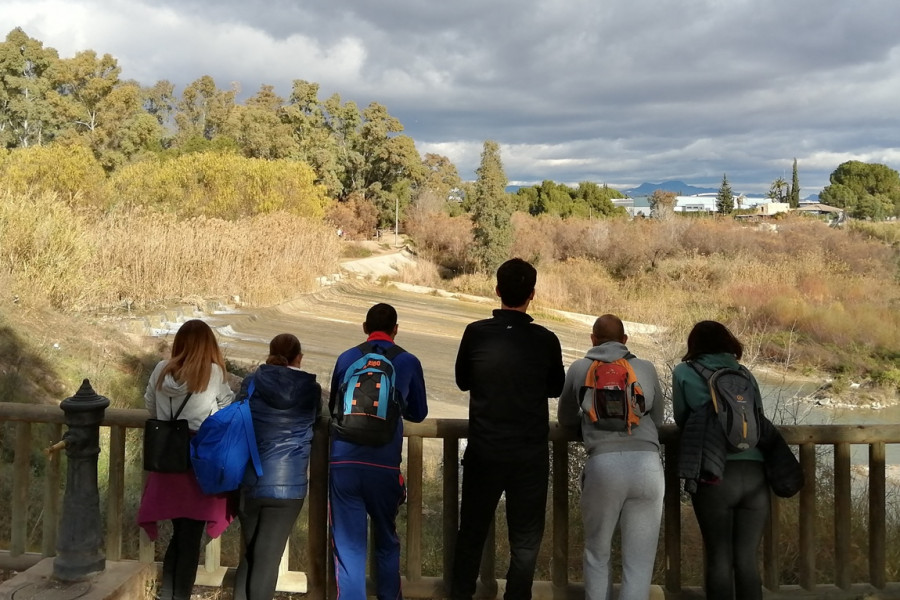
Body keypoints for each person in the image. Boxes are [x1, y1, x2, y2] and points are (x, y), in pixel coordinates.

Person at [450, 258, 566, 600]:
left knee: (471, 532)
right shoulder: (546, 340)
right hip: (529, 453)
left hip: (484, 449)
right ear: (532, 294)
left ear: (497, 291)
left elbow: (461, 381)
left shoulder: (476, 333)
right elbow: (555, 387)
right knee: (526, 540)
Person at [556, 314, 665, 600]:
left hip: (603, 466)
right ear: (625, 340)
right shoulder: (646, 368)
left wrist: (591, 417)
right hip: (647, 466)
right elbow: (659, 419)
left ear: (593, 339)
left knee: (597, 551)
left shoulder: (580, 368)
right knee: (639, 559)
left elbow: (565, 418)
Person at [328, 303, 428, 600]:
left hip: (344, 461)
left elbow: (334, 404)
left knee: (348, 548)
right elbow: (419, 413)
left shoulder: (347, 357)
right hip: (384, 465)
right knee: (386, 542)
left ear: (364, 327)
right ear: (396, 329)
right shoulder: (407, 361)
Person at [137, 319, 235, 600]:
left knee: (180, 534)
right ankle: (177, 596)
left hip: (166, 456)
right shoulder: (213, 372)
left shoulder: (160, 369)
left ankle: (167, 594)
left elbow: (149, 405)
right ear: (208, 345)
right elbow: (226, 407)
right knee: (191, 537)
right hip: (197, 458)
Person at [672, 320, 769, 600]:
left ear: (695, 345)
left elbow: (681, 418)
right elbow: (758, 416)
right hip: (754, 471)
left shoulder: (685, 371)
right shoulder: (745, 374)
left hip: (713, 472)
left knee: (719, 558)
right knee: (747, 560)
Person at [233, 333, 322, 600]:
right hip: (288, 484)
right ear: (299, 358)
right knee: (267, 559)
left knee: (251, 554)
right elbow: (316, 419)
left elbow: (237, 416)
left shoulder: (251, 383)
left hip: (250, 478)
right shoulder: (311, 389)